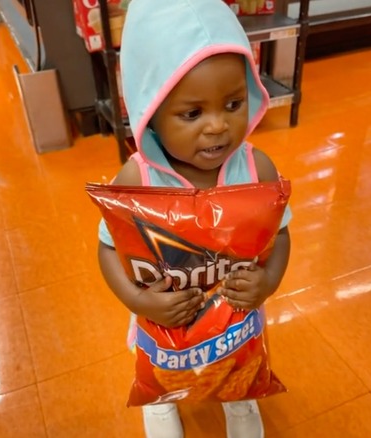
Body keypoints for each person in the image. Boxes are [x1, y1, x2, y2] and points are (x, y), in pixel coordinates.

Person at [95, 0, 291, 436]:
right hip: (166, 320)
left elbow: (282, 233)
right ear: (152, 110)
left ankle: (240, 400)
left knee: (237, 375)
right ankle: (162, 401)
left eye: (234, 103)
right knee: (162, 377)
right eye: (192, 113)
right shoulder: (137, 180)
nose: (218, 126)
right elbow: (107, 249)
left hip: (235, 322)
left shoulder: (258, 171)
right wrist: (139, 301)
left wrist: (269, 280)